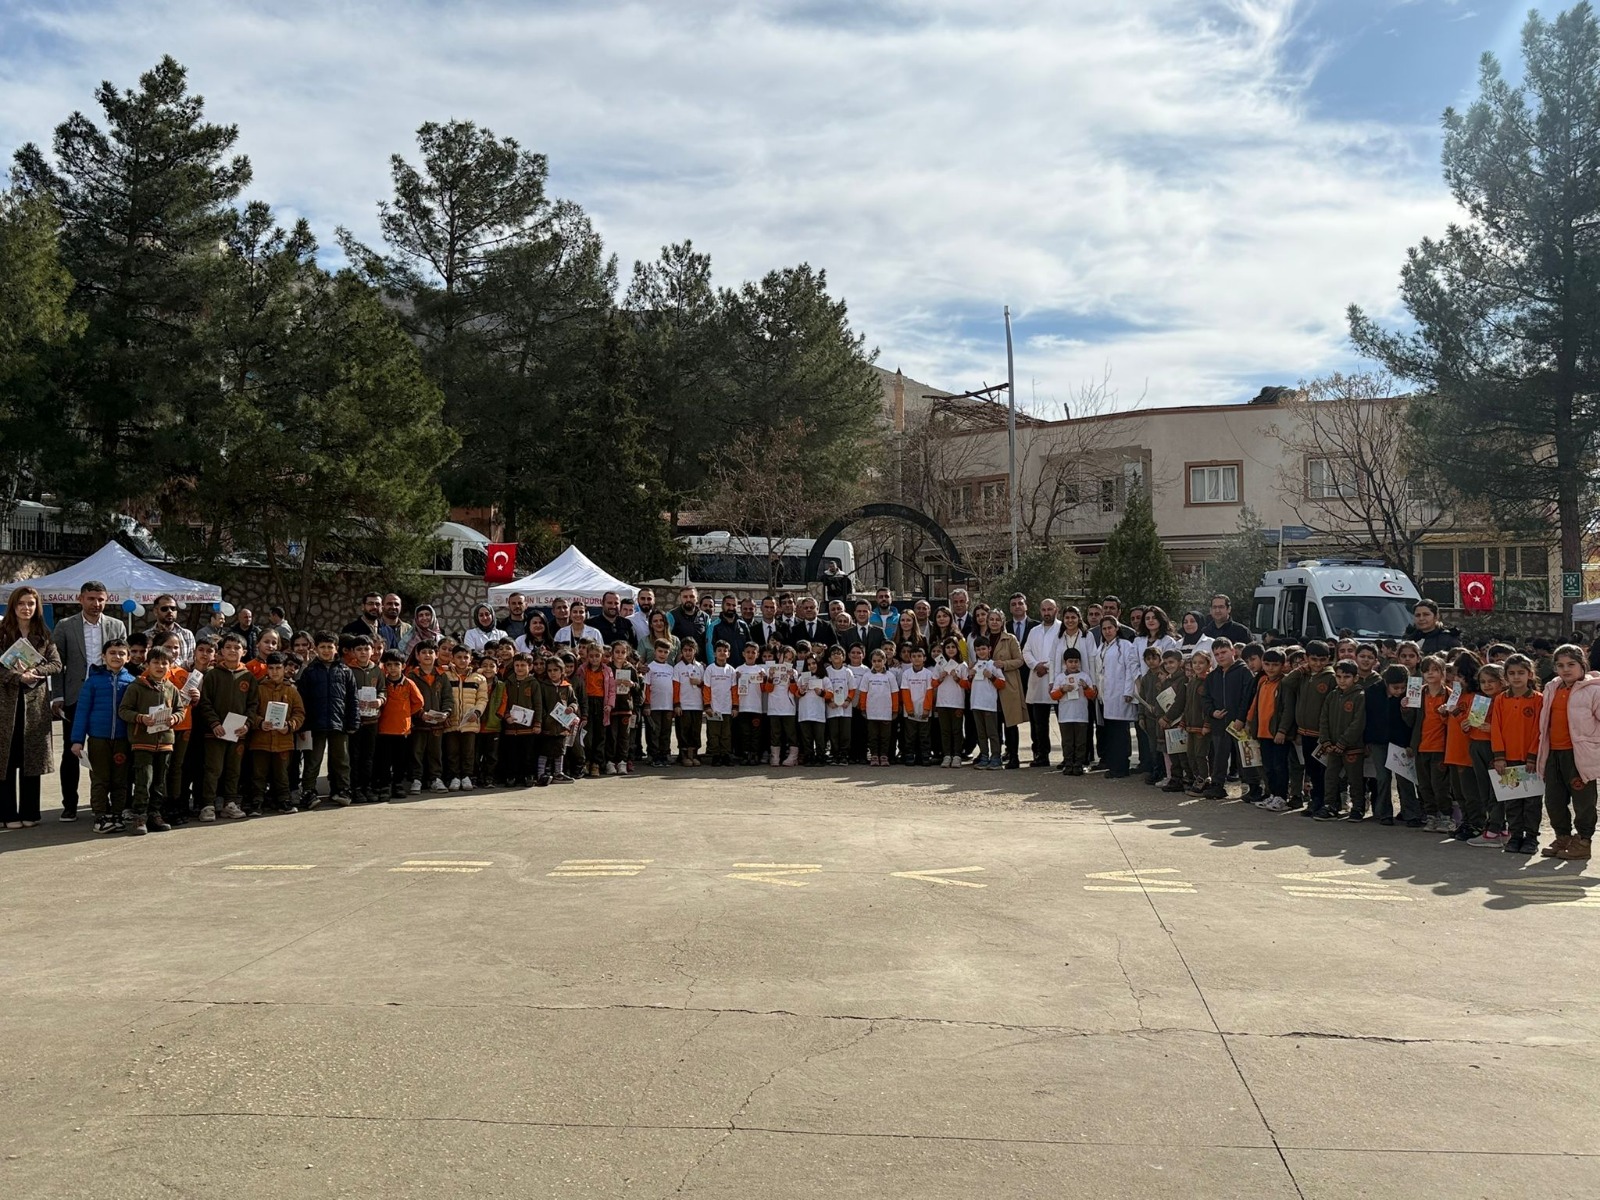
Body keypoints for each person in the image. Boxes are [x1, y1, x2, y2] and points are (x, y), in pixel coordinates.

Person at [49, 580, 127, 820]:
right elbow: (57, 664)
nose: (96, 603)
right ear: (80, 599)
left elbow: (124, 660)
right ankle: (70, 804)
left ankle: (108, 804)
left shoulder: (117, 625)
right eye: (91, 598)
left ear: (107, 600)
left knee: (108, 751)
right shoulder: (65, 626)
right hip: (75, 696)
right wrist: (58, 695)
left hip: (107, 696)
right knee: (72, 751)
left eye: (101, 599)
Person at [1, 586, 64, 830]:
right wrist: (17, 676)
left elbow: (56, 664)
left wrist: (36, 671)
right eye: (21, 603)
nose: (26, 608)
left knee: (31, 759)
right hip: (5, 704)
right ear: (13, 606)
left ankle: (30, 811)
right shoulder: (2, 632)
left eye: (31, 603)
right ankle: (7, 813)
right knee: (5, 760)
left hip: (34, 705)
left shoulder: (43, 634)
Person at [1536, 644, 1598, 861]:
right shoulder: (1552, 688)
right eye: (1560, 665)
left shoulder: (1594, 690)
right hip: (1553, 753)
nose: (1566, 669)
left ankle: (1583, 841)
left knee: (1583, 801)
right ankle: (1562, 837)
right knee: (1553, 800)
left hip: (1579, 755)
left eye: (1571, 664)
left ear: (1582, 665)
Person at [197, 633, 255, 822]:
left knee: (234, 769)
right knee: (213, 769)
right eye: (228, 647)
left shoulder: (248, 677)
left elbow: (253, 705)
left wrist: (247, 724)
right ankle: (208, 804)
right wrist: (214, 723)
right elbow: (205, 703)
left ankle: (230, 803)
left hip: (238, 733)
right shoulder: (212, 675)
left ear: (244, 652)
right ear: (221, 651)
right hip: (215, 732)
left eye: (237, 648)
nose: (232, 651)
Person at [299, 631, 360, 808]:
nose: (326, 650)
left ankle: (343, 789)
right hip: (314, 725)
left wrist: (353, 721)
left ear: (336, 648)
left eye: (330, 647)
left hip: (339, 723)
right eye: (322, 647)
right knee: (313, 760)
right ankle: (308, 791)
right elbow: (302, 700)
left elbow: (353, 699)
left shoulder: (345, 671)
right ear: (316, 649)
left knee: (341, 760)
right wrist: (303, 725)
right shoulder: (309, 672)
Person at [1491, 654, 1542, 854]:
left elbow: (1539, 730)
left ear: (1530, 674)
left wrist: (1533, 756)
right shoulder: (1500, 699)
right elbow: (1496, 728)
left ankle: (1531, 838)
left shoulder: (1538, 699)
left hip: (1530, 761)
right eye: (1511, 673)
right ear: (1506, 677)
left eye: (1521, 672)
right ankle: (1515, 836)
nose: (1516, 677)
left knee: (1532, 802)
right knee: (1512, 800)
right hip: (1508, 759)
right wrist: (1499, 757)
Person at [245, 651, 306, 815]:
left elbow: (299, 713)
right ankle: (257, 801)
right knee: (258, 773)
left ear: (285, 668)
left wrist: (289, 726)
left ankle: (284, 800)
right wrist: (259, 723)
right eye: (271, 668)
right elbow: (250, 711)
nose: (274, 672)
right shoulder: (258, 688)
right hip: (260, 740)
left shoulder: (292, 690)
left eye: (278, 668)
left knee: (282, 774)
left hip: (283, 741)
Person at [1095, 615, 1142, 778]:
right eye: (1104, 628)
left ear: (1116, 628)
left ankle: (1121, 767)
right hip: (1106, 696)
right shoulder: (1102, 647)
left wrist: (1129, 691)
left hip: (1121, 695)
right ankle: (1114, 764)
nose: (1107, 631)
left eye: (1110, 628)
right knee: (1110, 732)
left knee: (1120, 733)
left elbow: (1131, 669)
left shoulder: (1125, 645)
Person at [376, 650, 425, 799]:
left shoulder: (409, 683)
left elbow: (419, 702)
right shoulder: (382, 683)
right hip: (384, 728)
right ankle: (385, 786)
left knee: (400, 760)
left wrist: (407, 713)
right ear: (384, 666)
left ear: (403, 666)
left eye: (396, 664)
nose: (392, 668)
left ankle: (398, 785)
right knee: (384, 760)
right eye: (389, 665)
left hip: (403, 729)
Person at [984, 607, 1027, 769]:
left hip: (1008, 685)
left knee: (1010, 723)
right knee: (993, 723)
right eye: (991, 619)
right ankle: (995, 754)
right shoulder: (983, 639)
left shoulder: (1010, 639)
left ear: (1002, 622)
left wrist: (1004, 664)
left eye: (997, 619)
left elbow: (1020, 660)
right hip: (988, 686)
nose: (994, 622)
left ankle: (1014, 756)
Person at [1022, 598, 1061, 767]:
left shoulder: (1062, 629)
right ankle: (1042, 755)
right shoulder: (1034, 631)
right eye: (1044, 610)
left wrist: (1047, 667)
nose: (1047, 613)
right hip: (1037, 680)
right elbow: (1026, 651)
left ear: (1056, 610)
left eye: (1050, 609)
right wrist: (1035, 665)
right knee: (1039, 723)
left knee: (1063, 721)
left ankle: (1068, 756)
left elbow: (1063, 653)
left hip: (1057, 680)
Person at [1051, 646, 1095, 775]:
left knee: (1081, 742)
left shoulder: (1084, 677)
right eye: (1070, 661)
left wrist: (1086, 687)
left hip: (1081, 715)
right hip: (1065, 716)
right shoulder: (1060, 678)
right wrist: (1062, 690)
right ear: (1065, 663)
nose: (1073, 664)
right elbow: (1053, 695)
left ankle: (1079, 764)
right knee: (1067, 742)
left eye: (1076, 661)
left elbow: (1092, 695)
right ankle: (1068, 763)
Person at [146, 594, 197, 662]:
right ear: (155, 611)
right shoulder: (146, 636)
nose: (170, 611)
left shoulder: (187, 634)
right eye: (164, 609)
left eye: (173, 608)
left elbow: (192, 661)